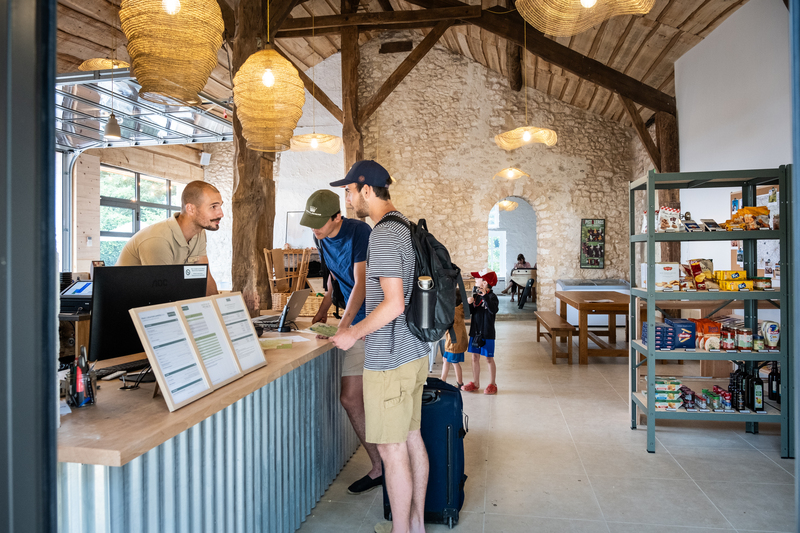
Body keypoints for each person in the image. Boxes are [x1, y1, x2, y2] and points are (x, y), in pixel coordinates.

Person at [330, 160, 430, 533]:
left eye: (350, 190)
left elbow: (393, 304)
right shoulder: (405, 226)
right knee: (411, 439)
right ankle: (416, 525)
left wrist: (352, 334)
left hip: (390, 359)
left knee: (391, 450)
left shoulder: (384, 235)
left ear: (366, 189)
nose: (349, 197)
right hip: (415, 353)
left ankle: (403, 530)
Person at [299, 189, 384, 495]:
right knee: (355, 398)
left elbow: (361, 282)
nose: (314, 229)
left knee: (354, 398)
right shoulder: (319, 237)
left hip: (371, 320)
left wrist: (346, 327)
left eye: (319, 223)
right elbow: (335, 278)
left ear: (338, 216)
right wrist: (322, 312)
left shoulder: (360, 232)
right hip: (350, 320)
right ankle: (382, 466)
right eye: (310, 223)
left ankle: (383, 467)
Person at [116, 180, 221, 295]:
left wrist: (219, 310)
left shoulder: (199, 233)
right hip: (124, 306)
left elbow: (206, 279)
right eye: (213, 207)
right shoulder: (158, 240)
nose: (221, 214)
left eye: (220, 206)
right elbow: (162, 294)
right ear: (191, 209)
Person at [461, 269, 499, 395]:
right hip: (475, 332)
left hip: (487, 333)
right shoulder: (476, 296)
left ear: (485, 282)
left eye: (478, 278)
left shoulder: (492, 297)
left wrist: (485, 296)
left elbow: (493, 310)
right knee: (474, 357)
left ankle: (492, 384)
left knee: (488, 358)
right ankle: (475, 383)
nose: (475, 280)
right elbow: (470, 312)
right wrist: (469, 304)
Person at [440, 289, 468, 389]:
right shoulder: (459, 308)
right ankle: (442, 380)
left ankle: (460, 383)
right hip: (452, 341)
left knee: (454, 362)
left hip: (455, 342)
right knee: (446, 359)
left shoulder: (454, 311)